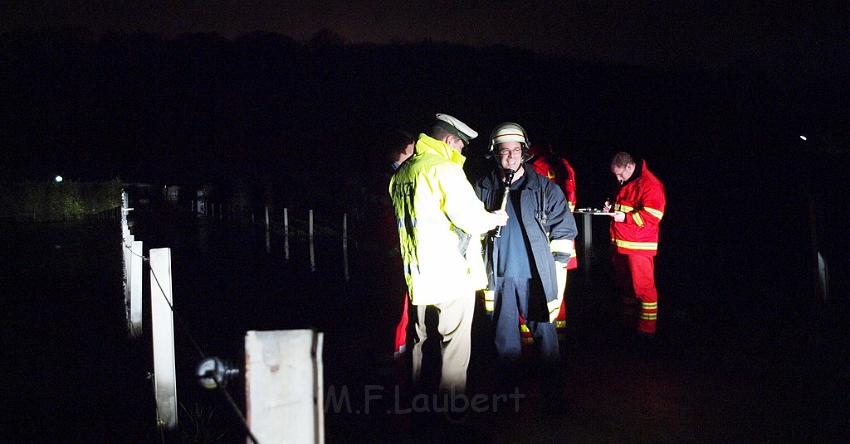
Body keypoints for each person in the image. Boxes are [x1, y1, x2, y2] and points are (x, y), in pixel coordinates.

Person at [389, 113, 508, 394]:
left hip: (417, 276)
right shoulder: (443, 169)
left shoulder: (404, 173)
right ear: (450, 140)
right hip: (451, 275)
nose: (462, 151)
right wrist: (494, 218)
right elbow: (470, 219)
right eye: (461, 145)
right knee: (454, 348)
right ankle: (451, 414)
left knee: (420, 342)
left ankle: (419, 400)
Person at [473, 122, 577, 381]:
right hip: (499, 277)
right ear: (494, 153)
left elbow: (564, 230)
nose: (510, 156)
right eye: (504, 151)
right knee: (504, 339)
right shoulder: (482, 188)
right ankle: (509, 397)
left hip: (535, 277)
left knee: (545, 335)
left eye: (515, 151)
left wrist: (555, 267)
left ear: (524, 152)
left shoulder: (545, 188)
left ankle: (553, 393)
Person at [603, 151, 666, 340]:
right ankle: (628, 324)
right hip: (623, 244)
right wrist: (612, 207)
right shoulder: (630, 181)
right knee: (626, 287)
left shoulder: (650, 184)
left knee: (644, 289)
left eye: (620, 174)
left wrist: (625, 217)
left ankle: (647, 331)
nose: (618, 178)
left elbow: (653, 216)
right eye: (615, 175)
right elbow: (627, 205)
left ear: (630, 167)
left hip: (639, 246)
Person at [527, 144, 579, 342]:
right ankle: (558, 336)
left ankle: (533, 341)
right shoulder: (562, 165)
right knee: (557, 293)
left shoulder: (535, 168)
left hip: (545, 239)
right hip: (561, 239)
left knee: (537, 291)